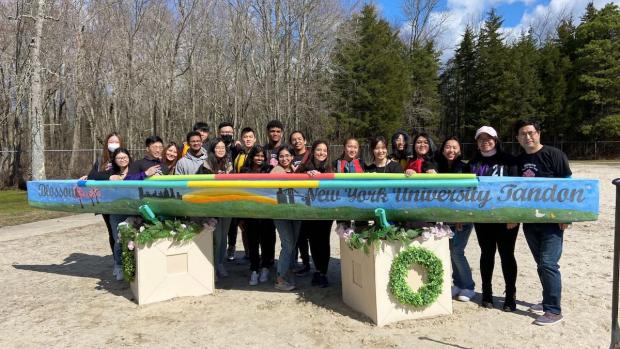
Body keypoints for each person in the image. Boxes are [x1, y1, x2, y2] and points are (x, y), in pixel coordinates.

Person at [513, 119, 572, 326]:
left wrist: (566, 216)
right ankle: (548, 301)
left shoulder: (555, 155)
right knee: (542, 264)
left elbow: (569, 187)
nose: (528, 137)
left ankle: (553, 311)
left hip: (553, 221)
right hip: (530, 221)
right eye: (523, 134)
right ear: (518, 138)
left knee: (548, 264)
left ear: (538, 133)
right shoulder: (519, 161)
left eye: (531, 132)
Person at [467, 126, 519, 311]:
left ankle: (510, 295)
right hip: (483, 218)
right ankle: (487, 292)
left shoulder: (510, 161)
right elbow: (466, 192)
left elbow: (518, 189)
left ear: (496, 140)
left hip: (506, 217)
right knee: (486, 254)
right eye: (481, 139)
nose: (485, 141)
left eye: (488, 138)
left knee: (507, 255)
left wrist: (514, 215)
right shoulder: (472, 163)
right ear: (476, 142)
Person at [436, 136, 475, 302]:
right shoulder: (440, 165)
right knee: (451, 252)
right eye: (447, 147)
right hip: (446, 217)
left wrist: (461, 216)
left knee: (458, 252)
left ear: (459, 150)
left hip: (462, 217)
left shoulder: (465, 167)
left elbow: (468, 194)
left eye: (454, 147)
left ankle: (468, 286)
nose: (451, 150)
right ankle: (458, 284)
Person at [88, 147, 132, 280]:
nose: (122, 160)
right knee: (117, 239)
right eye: (119, 158)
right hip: (116, 210)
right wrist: (110, 176)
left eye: (124, 157)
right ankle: (118, 266)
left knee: (132, 239)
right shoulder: (111, 171)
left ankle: (131, 265)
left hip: (133, 209)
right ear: (115, 160)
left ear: (129, 158)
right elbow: (93, 176)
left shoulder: (135, 169)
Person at [81, 132, 122, 270]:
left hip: (121, 200)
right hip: (105, 202)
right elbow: (93, 175)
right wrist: (107, 177)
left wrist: (103, 176)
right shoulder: (101, 160)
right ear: (106, 144)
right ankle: (117, 262)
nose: (114, 144)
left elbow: (123, 175)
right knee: (112, 232)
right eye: (111, 142)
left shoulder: (123, 157)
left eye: (116, 142)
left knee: (122, 231)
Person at [298, 140, 334, 287]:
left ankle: (323, 272)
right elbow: (295, 179)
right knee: (312, 240)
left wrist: (322, 177)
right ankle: (317, 270)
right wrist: (306, 175)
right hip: (309, 211)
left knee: (323, 241)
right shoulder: (305, 167)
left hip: (325, 211)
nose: (322, 153)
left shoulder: (330, 168)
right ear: (313, 151)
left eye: (325, 150)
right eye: (319, 150)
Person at [198, 138, 234, 277]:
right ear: (212, 150)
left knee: (224, 236)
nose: (220, 150)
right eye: (217, 147)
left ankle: (220, 263)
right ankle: (212, 265)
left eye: (223, 147)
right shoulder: (205, 166)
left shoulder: (229, 165)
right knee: (216, 237)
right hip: (212, 207)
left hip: (227, 205)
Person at [240, 145, 275, 285]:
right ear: (251, 156)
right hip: (250, 212)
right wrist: (240, 217)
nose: (259, 158)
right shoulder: (244, 170)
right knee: (252, 242)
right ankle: (254, 270)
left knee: (267, 241)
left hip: (267, 211)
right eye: (257, 155)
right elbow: (240, 192)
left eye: (262, 156)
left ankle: (265, 267)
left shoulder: (269, 170)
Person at [271, 145, 301, 291]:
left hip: (295, 212)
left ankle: (287, 272)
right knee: (287, 244)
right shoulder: (276, 170)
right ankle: (280, 279)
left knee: (292, 244)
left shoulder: (296, 170)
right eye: (281, 156)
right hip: (281, 213)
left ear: (292, 157)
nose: (284, 158)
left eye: (287, 155)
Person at [289, 130, 311, 275]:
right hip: (292, 198)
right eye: (294, 139)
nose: (297, 141)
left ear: (305, 140)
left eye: (299, 139)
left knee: (305, 233)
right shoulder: (289, 155)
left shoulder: (309, 155)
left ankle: (306, 263)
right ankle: (295, 262)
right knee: (296, 234)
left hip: (308, 198)